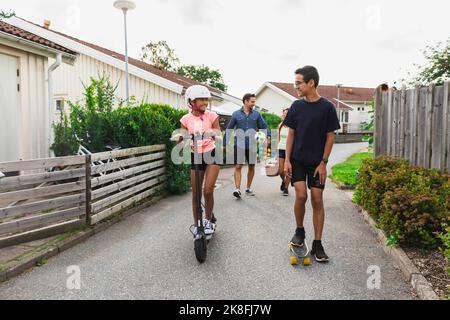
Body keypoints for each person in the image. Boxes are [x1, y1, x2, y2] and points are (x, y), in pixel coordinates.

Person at [284, 66, 341, 262]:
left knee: (317, 199)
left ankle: (318, 244)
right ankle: (300, 231)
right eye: (295, 83)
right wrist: (287, 162)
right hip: (298, 160)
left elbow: (330, 137)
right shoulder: (296, 106)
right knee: (301, 195)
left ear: (311, 83)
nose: (296, 87)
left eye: (298, 83)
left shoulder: (327, 108)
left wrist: (324, 162)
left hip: (317, 163)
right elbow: (291, 133)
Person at [179, 85, 222, 238]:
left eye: (206, 99)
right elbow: (182, 136)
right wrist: (180, 139)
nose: (205, 102)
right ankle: (198, 225)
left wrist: (212, 134)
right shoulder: (185, 119)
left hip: (212, 153)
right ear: (191, 101)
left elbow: (219, 134)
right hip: (195, 155)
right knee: (196, 195)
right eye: (201, 99)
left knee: (208, 190)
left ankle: (209, 219)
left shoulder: (212, 116)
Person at [223, 94, 270, 198]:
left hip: (252, 144)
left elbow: (264, 126)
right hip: (239, 144)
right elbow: (229, 129)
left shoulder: (257, 115)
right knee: (238, 166)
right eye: (252, 102)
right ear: (245, 101)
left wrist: (268, 137)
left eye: (254, 101)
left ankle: (248, 188)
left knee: (251, 166)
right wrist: (224, 143)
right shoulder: (235, 114)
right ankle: (237, 189)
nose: (254, 104)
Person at [277, 108, 290, 196]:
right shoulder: (280, 125)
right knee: (281, 171)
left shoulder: (293, 126)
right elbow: (278, 138)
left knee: (288, 170)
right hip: (281, 148)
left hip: (290, 150)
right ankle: (284, 181)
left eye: (286, 113)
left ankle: (286, 188)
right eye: (284, 113)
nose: (284, 114)